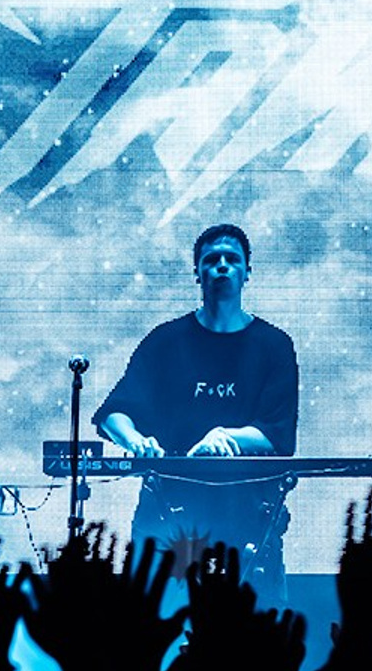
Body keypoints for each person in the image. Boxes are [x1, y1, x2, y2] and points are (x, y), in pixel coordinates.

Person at [94, 223, 300, 601]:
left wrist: (227, 435)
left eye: (232, 259)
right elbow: (113, 414)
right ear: (197, 273)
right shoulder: (164, 341)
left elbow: (278, 435)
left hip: (248, 523)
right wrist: (136, 441)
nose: (222, 266)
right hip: (167, 522)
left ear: (247, 272)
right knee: (150, 635)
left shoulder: (275, 346)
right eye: (211, 260)